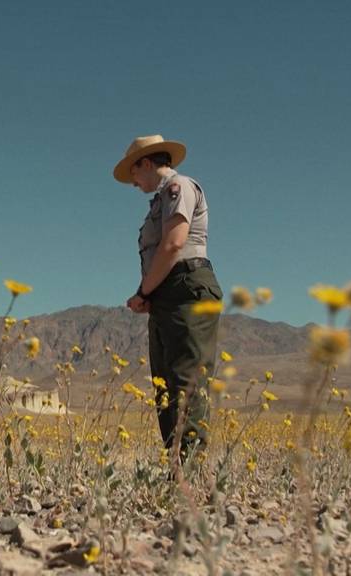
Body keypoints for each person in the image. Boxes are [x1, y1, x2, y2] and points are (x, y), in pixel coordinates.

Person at [114, 135, 223, 463]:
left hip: (187, 289)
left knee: (186, 381)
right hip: (165, 294)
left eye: (133, 174)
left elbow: (174, 244)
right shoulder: (159, 201)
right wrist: (148, 292)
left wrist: (145, 291)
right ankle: (177, 469)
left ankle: (193, 473)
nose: (133, 183)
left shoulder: (180, 187)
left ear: (146, 163)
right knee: (165, 385)